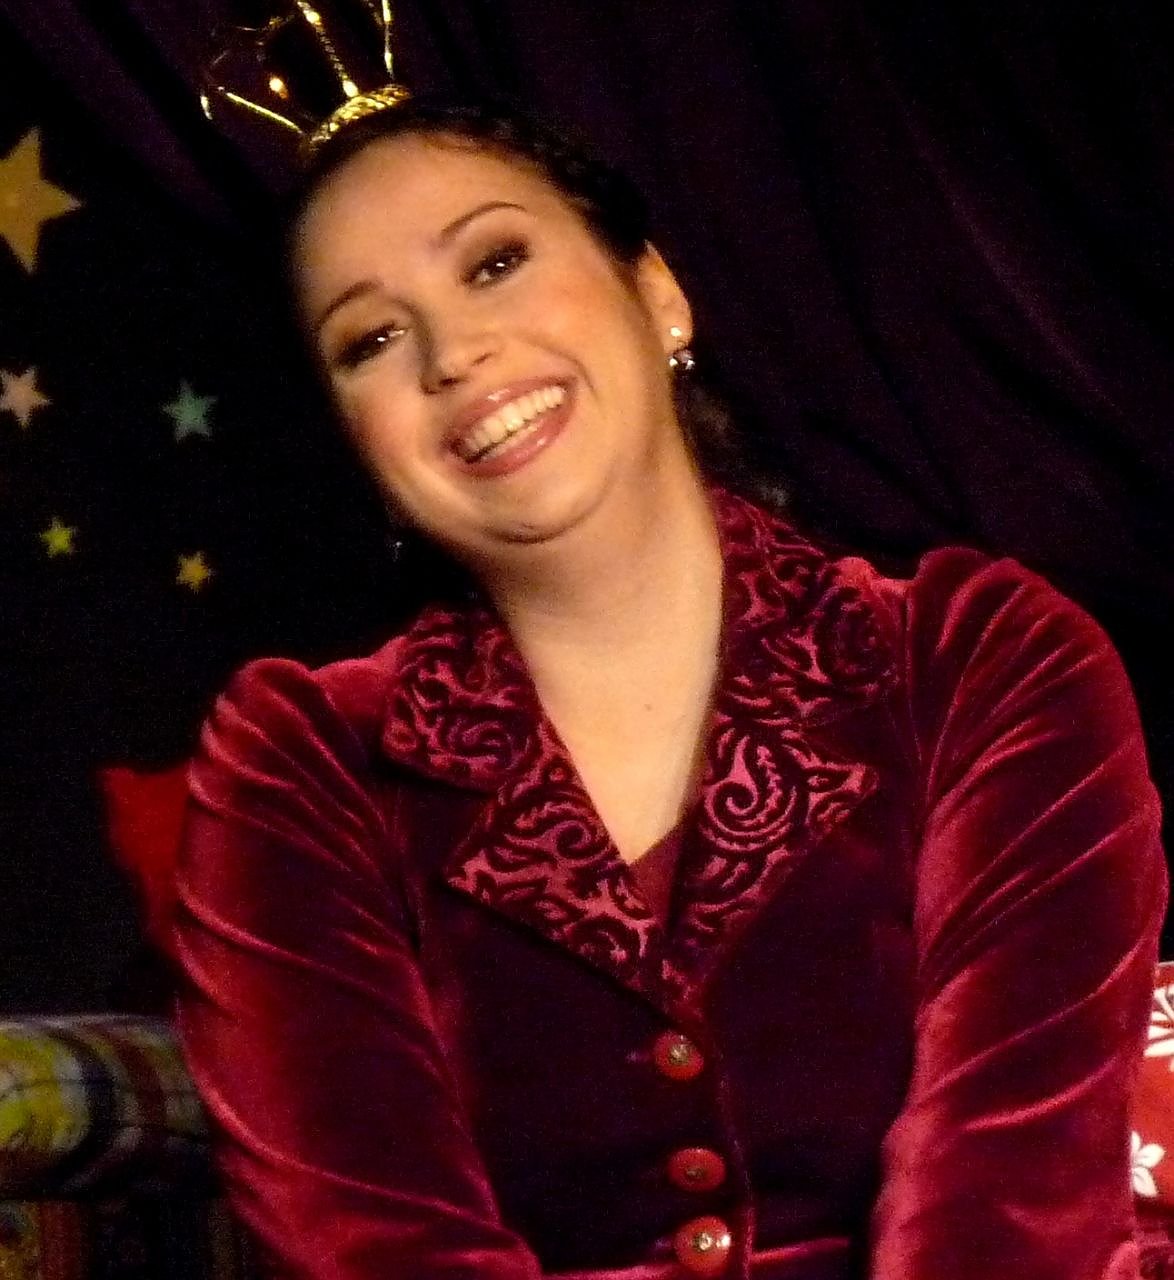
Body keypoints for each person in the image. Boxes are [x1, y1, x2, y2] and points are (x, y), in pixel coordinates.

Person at [173, 98, 1167, 1280]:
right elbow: (371, 1240)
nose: (451, 354)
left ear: (655, 293)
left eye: (494, 263)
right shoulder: (302, 761)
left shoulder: (980, 655)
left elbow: (1009, 1196)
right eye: (371, 339)